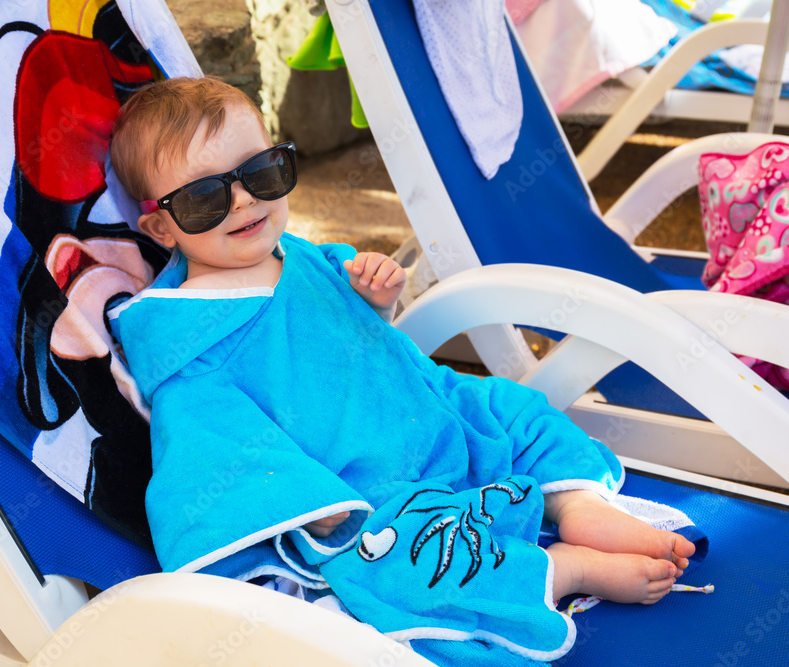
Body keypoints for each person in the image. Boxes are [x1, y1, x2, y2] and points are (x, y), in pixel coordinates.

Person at [106, 76, 696, 662]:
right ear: (160, 227)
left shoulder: (301, 255)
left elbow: (359, 334)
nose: (244, 201)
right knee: (398, 564)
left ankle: (577, 506)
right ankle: (562, 569)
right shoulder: (187, 346)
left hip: (429, 414)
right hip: (366, 492)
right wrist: (316, 504)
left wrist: (376, 299)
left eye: (261, 173)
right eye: (205, 198)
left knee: (514, 410)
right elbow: (212, 445)